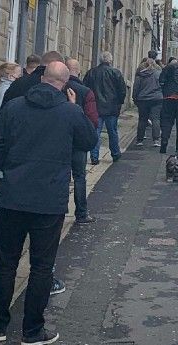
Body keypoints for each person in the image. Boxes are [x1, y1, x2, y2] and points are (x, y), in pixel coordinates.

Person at [0, 62, 97, 345]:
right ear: (66, 83)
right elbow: (89, 140)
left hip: (13, 195)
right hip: (49, 199)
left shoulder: (15, 107)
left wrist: (10, 167)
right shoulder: (70, 112)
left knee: (6, 263)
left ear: (42, 79)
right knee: (42, 267)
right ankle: (32, 331)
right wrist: (78, 109)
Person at [66, 58, 100, 224]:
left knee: (61, 175)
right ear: (78, 71)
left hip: (60, 141)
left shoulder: (58, 88)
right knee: (79, 176)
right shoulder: (86, 92)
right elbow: (93, 120)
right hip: (79, 142)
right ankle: (81, 213)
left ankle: (59, 210)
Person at [83, 51, 127, 165]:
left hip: (96, 107)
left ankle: (94, 156)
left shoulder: (91, 73)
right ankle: (115, 154)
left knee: (96, 132)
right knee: (112, 131)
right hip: (112, 107)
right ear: (110, 60)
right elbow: (122, 90)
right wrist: (119, 103)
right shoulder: (115, 73)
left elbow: (85, 89)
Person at [132, 57, 162, 147]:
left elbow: (136, 88)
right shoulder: (158, 74)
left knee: (142, 119)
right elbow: (162, 85)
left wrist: (135, 98)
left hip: (143, 99)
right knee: (156, 119)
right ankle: (156, 140)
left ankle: (139, 140)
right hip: (156, 99)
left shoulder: (140, 75)